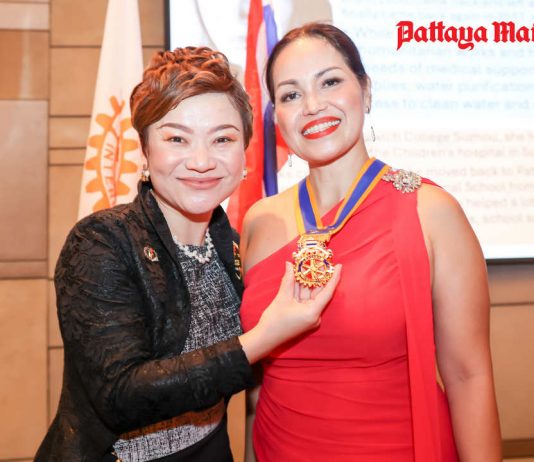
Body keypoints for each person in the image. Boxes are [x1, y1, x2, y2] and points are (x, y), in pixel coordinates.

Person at [35, 46, 341, 462]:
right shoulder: (101, 241)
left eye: (222, 139)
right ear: (145, 150)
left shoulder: (234, 247)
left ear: (244, 153)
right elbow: (120, 395)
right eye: (177, 138)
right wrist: (262, 339)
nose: (201, 161)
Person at [240, 23, 501, 461]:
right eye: (291, 94)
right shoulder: (258, 221)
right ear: (277, 119)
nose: (312, 105)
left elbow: (468, 376)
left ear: (365, 90)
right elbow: (257, 385)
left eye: (330, 82)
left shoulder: (431, 212)